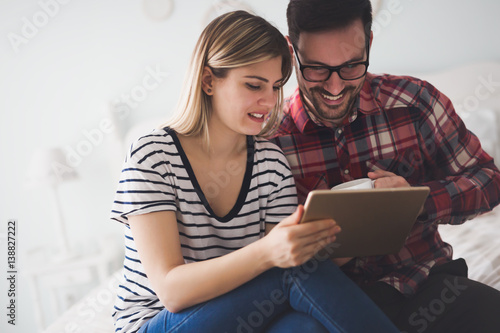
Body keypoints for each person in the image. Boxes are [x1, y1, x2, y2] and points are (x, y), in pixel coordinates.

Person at [110, 10, 400, 333]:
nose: (269, 101)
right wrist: (268, 253)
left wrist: (371, 224)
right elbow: (171, 291)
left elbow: (294, 269)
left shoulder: (271, 165)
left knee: (304, 327)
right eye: (253, 85)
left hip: (240, 317)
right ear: (208, 81)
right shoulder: (152, 155)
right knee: (288, 269)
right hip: (158, 322)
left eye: (276, 87)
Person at [269, 0, 500, 332]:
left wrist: (418, 201)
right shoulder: (270, 139)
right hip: (327, 306)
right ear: (292, 52)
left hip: (424, 286)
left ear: (370, 44)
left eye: (351, 66)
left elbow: (489, 179)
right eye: (318, 68)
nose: (335, 88)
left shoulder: (415, 103)